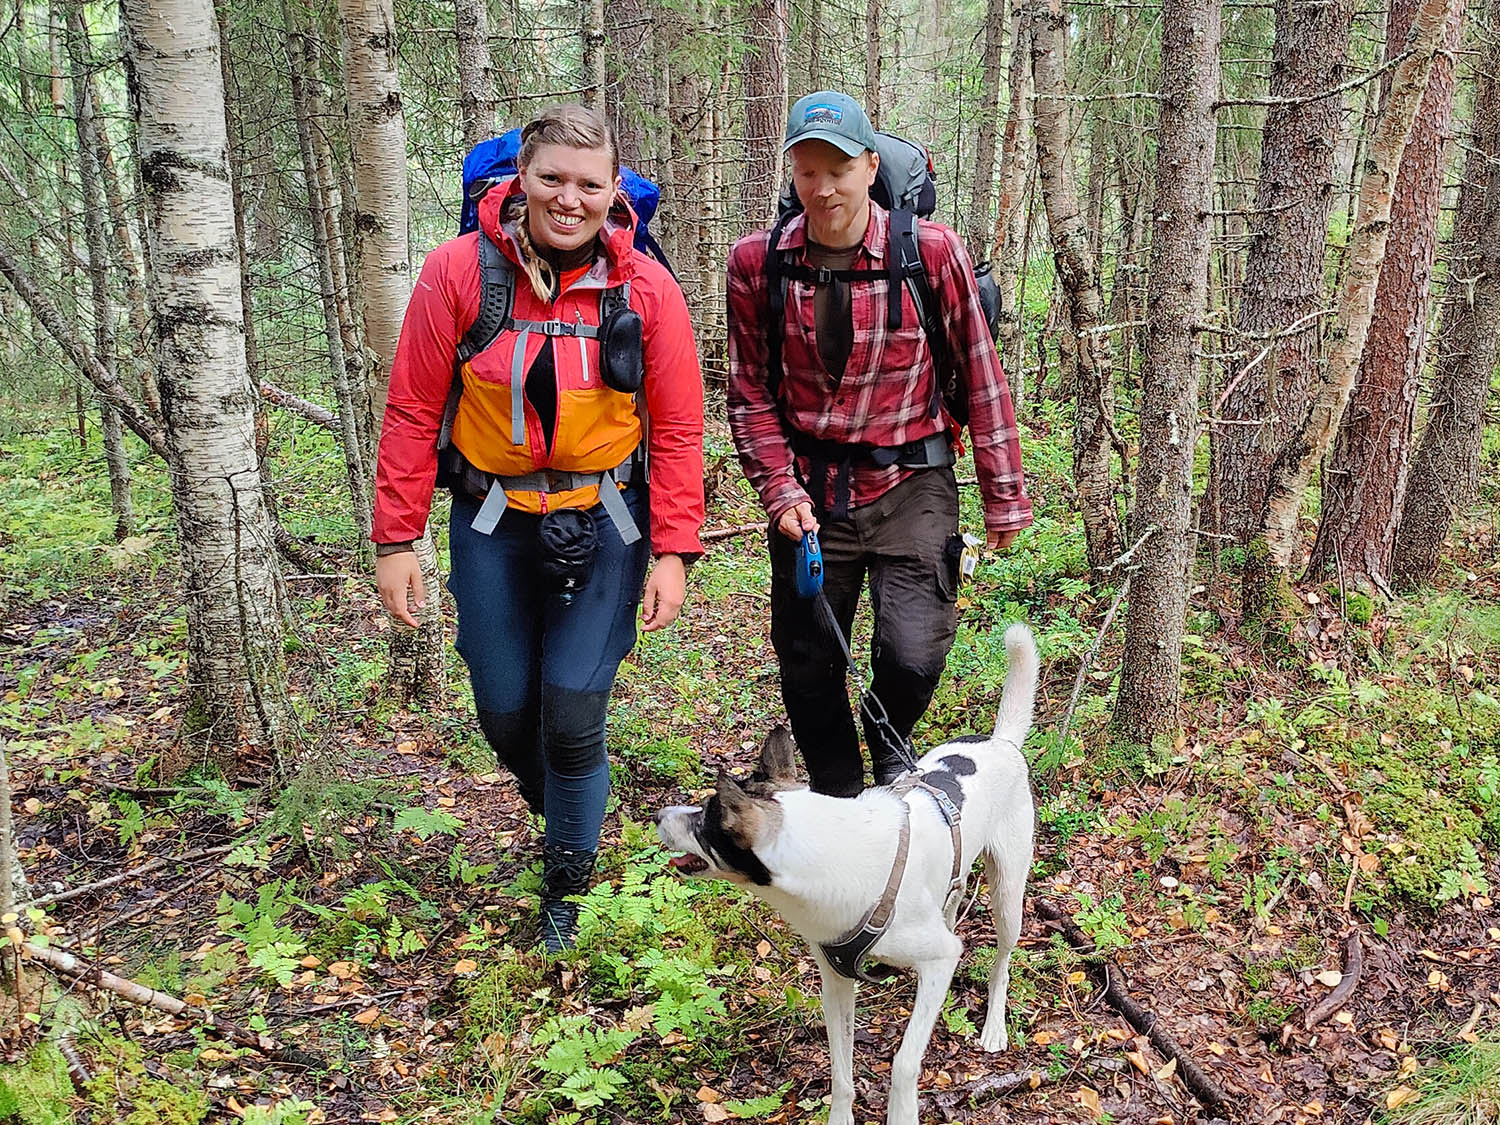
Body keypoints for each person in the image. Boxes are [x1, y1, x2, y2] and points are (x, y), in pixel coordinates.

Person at [372, 105, 704, 952]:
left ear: (614, 191)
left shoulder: (646, 288)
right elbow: (412, 407)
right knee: (505, 709)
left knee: (573, 710)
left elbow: (676, 427)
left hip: (608, 518)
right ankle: (569, 805)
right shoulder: (458, 273)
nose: (570, 199)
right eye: (553, 178)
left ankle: (566, 887)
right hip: (493, 518)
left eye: (591, 184)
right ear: (521, 178)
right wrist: (396, 538)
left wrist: (674, 549)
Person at [726, 91, 1031, 798]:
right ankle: (840, 793)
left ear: (869, 165)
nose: (823, 187)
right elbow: (749, 393)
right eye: (806, 170)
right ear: (791, 175)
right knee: (806, 665)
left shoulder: (930, 253)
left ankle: (889, 742)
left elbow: (980, 375)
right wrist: (780, 490)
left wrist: (1004, 499)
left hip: (913, 479)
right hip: (810, 492)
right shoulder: (757, 264)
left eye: (837, 168)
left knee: (914, 651)